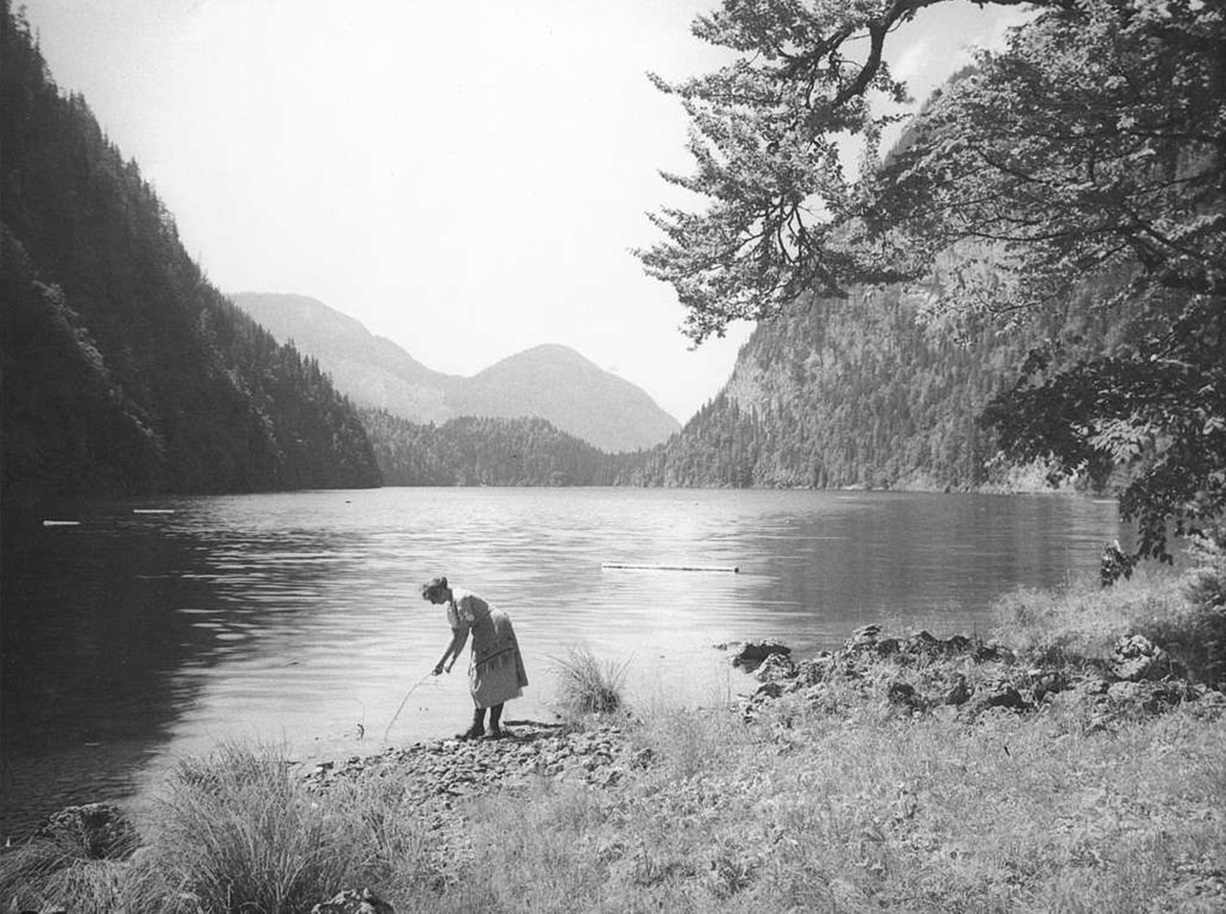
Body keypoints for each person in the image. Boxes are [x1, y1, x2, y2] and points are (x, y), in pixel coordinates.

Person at [421, 575, 529, 739]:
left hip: (496, 627)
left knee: (495, 676)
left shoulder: (461, 599)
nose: (433, 603)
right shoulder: (451, 607)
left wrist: (453, 660)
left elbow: (463, 635)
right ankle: (478, 725)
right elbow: (454, 636)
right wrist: (441, 663)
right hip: (482, 631)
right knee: (477, 679)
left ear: (442, 591)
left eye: (433, 598)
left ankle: (493, 726)